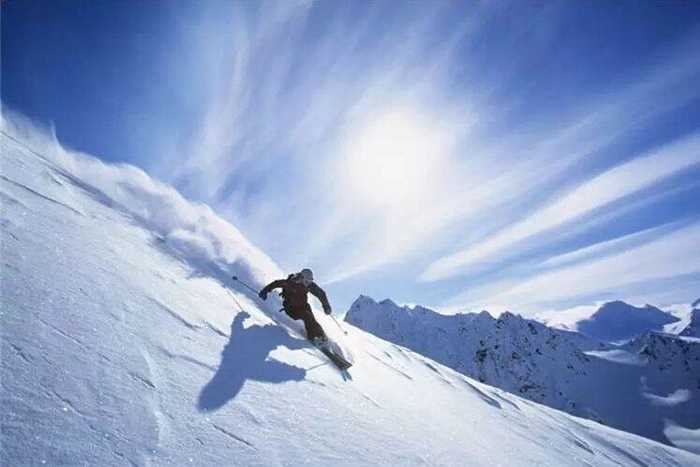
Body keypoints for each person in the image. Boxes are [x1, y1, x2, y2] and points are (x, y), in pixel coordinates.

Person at [259, 268, 332, 343]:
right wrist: (265, 291)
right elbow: (276, 283)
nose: (308, 283)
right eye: (306, 281)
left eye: (310, 281)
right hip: (291, 309)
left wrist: (326, 306)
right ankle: (314, 337)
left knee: (312, 319)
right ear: (302, 277)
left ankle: (322, 337)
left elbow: (321, 294)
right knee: (307, 316)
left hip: (304, 306)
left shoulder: (309, 285)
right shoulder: (290, 283)